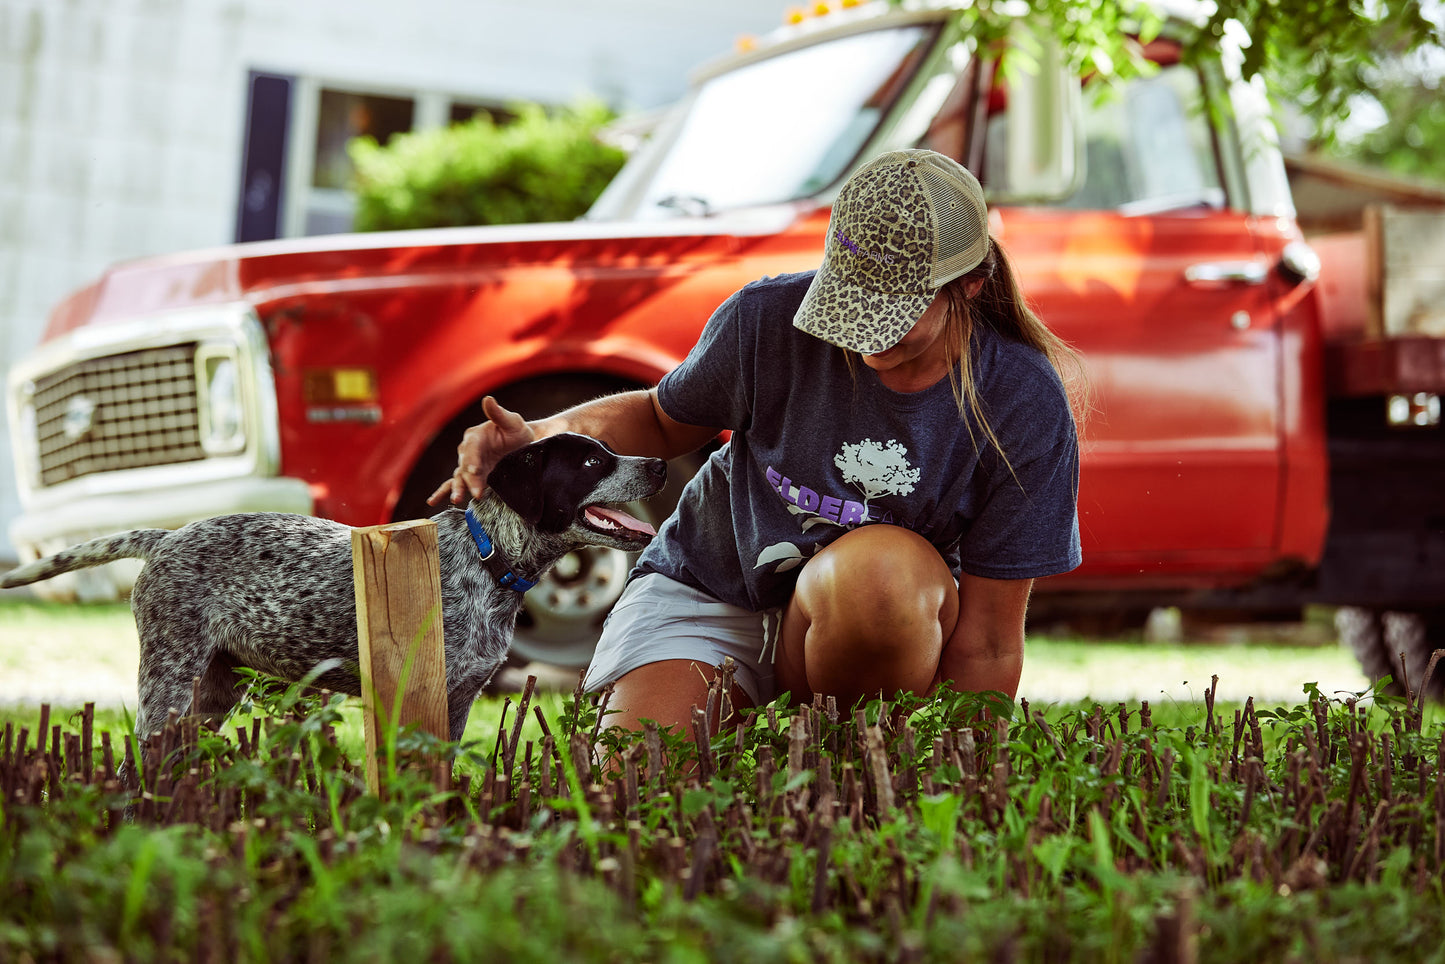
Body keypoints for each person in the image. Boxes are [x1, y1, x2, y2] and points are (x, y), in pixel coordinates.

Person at [429, 149, 1082, 736]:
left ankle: (836, 757)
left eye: (896, 312)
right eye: (853, 300)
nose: (864, 334)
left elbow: (991, 641)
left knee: (879, 573)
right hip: (710, 586)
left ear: (968, 285)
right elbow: (660, 420)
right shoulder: (766, 319)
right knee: (637, 788)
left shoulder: (1018, 399)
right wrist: (540, 433)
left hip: (869, 619)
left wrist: (969, 773)